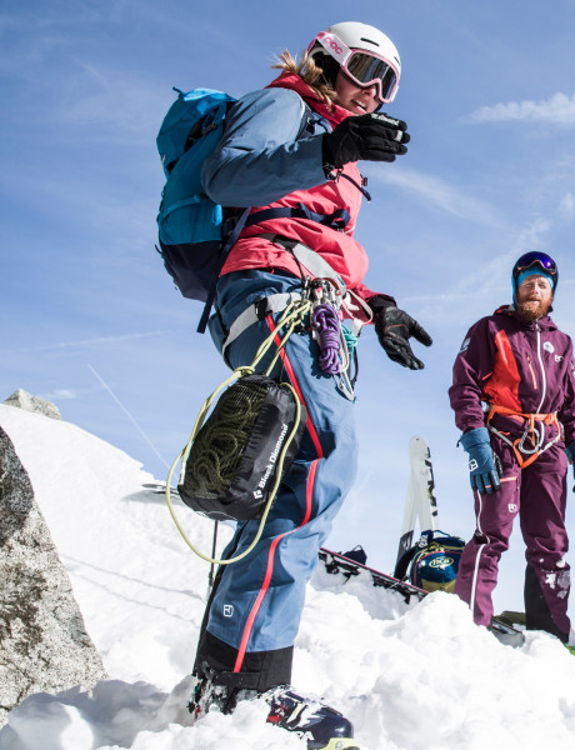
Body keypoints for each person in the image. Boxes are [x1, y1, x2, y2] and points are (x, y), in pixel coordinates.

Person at [186, 22, 431, 746]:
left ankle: (223, 675)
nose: (374, 90)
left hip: (321, 307)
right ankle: (246, 684)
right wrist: (330, 147)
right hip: (274, 293)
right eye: (364, 69)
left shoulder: (333, 144)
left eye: (388, 82)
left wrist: (376, 304)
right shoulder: (286, 105)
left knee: (289, 471)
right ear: (324, 58)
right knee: (318, 462)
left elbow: (321, 238)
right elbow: (227, 179)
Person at [448, 252, 575, 643]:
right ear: (516, 289)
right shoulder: (490, 328)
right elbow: (464, 386)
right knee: (492, 532)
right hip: (502, 441)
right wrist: (476, 438)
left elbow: (573, 405)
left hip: (548, 447)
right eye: (528, 282)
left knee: (551, 542)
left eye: (542, 284)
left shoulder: (563, 342)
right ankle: (470, 625)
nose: (535, 289)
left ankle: (552, 634)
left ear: (552, 295)